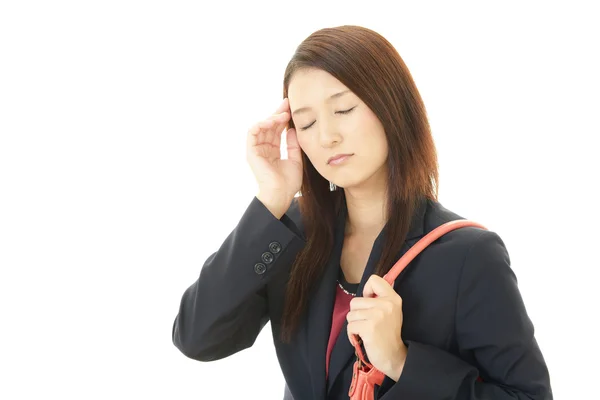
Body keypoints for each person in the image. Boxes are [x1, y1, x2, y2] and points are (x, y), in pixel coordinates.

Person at [171, 25, 553, 399]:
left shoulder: (468, 255)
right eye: (306, 122)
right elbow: (197, 338)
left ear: (391, 105)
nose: (326, 136)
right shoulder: (293, 235)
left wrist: (403, 362)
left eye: (343, 109)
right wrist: (273, 199)